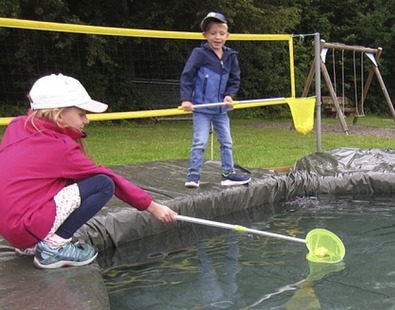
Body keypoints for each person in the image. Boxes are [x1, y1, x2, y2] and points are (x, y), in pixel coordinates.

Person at [0, 73, 177, 269]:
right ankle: (53, 248)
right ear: (59, 115)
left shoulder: (18, 126)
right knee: (102, 184)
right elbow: (109, 178)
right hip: (26, 227)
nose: (87, 120)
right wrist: (153, 207)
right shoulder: (61, 148)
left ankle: (38, 242)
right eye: (81, 114)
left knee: (70, 182)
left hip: (12, 230)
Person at [180, 11, 250, 188]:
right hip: (202, 108)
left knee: (226, 142)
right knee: (200, 142)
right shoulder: (199, 53)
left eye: (221, 33)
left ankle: (228, 174)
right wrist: (186, 99)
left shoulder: (230, 56)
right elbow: (187, 76)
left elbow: (235, 79)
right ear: (205, 36)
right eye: (213, 33)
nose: (217, 37)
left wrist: (229, 95)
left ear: (227, 35)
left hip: (220, 109)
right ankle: (193, 175)